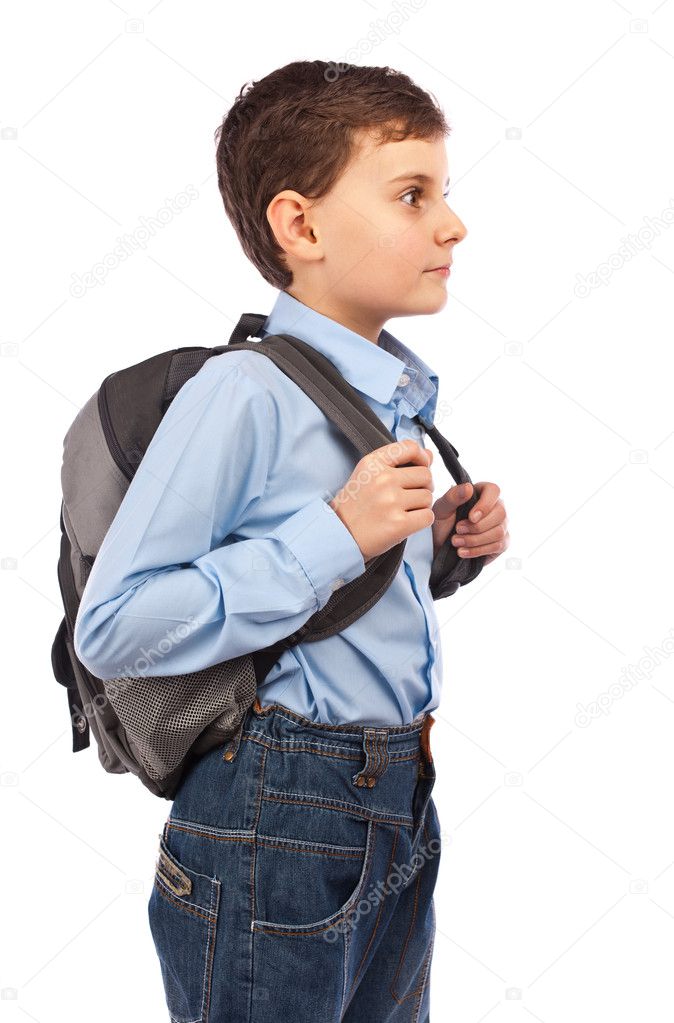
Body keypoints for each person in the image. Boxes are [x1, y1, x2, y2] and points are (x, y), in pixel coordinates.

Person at [74, 58, 508, 1022]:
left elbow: (330, 603)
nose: (452, 224)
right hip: (277, 804)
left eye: (445, 192)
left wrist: (441, 554)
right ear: (299, 225)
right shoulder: (243, 394)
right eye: (412, 194)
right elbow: (112, 628)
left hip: (396, 792)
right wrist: (335, 532)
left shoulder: (381, 394)